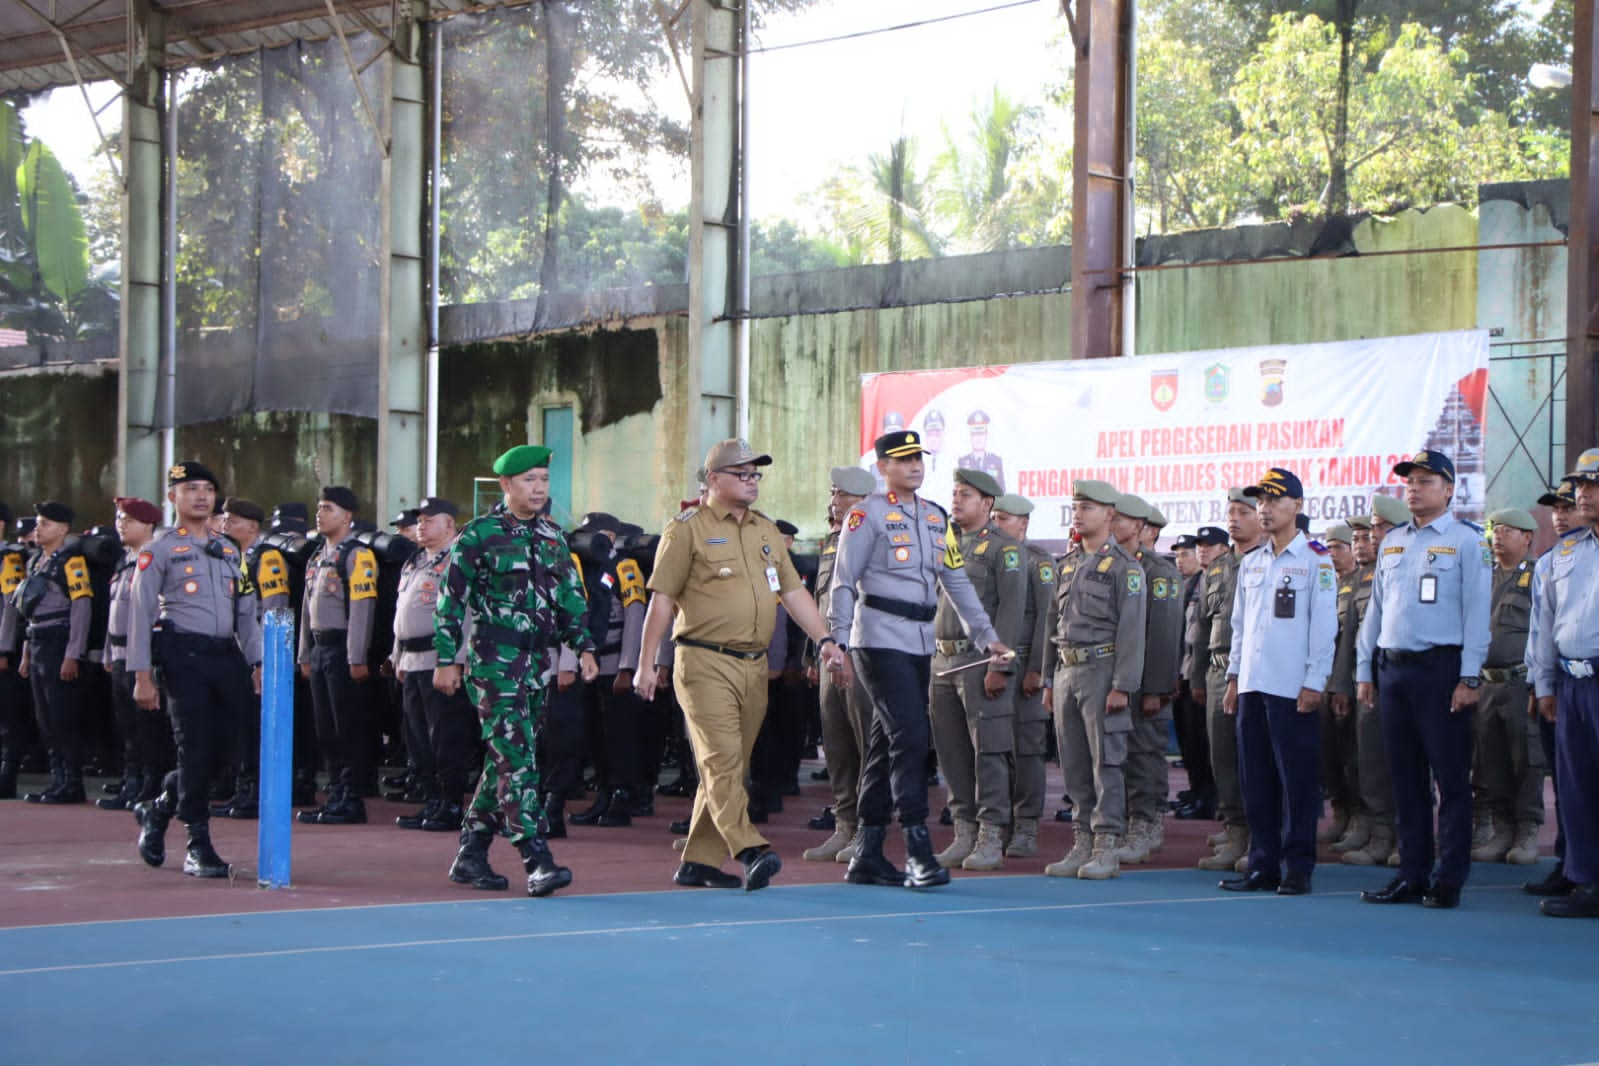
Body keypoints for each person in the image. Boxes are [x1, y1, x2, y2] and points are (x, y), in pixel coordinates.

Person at [637, 438, 845, 891]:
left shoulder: (765, 530)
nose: (752, 482)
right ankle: (750, 847)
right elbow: (661, 600)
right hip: (704, 658)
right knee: (721, 759)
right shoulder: (685, 529)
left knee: (730, 766)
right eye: (742, 474)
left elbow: (792, 593)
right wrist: (647, 663)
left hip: (753, 666)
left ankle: (699, 863)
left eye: (756, 474)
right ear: (713, 479)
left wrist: (824, 639)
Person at [827, 429, 1009, 889]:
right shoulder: (864, 515)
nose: (913, 466)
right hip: (877, 638)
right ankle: (917, 848)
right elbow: (844, 581)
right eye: (903, 459)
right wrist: (837, 641)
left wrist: (987, 637)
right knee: (911, 734)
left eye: (918, 459)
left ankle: (867, 853)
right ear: (883, 467)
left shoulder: (934, 517)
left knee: (887, 743)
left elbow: (955, 580)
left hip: (920, 641)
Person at [434, 445, 598, 898]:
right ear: (505, 485)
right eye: (529, 480)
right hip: (494, 661)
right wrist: (447, 658)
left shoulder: (551, 535)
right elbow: (450, 601)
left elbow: (570, 596)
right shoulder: (479, 535)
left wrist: (582, 647)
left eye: (544, 479)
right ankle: (535, 856)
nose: (539, 488)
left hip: (536, 665)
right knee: (519, 761)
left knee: (505, 758)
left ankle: (471, 851)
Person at [1357, 450, 1491, 909]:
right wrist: (1365, 670)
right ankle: (1411, 874)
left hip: (1441, 669)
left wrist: (1469, 676)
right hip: (1393, 669)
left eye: (1426, 480)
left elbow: (1477, 614)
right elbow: (1375, 611)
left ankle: (1448, 878)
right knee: (1405, 778)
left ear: (1449, 489)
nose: (1413, 487)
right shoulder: (1393, 541)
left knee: (1451, 780)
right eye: (1409, 480)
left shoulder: (1467, 541)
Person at [127, 461, 263, 878]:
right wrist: (141, 674)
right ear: (173, 497)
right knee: (195, 748)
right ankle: (196, 843)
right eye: (191, 489)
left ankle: (159, 807)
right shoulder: (160, 549)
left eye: (207, 489)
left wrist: (257, 661)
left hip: (226, 658)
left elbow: (247, 611)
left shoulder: (229, 550)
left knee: (227, 751)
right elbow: (139, 611)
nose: (201, 496)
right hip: (182, 656)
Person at [1219, 469, 1338, 895]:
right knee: (1257, 781)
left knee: (1297, 781)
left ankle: (1297, 866)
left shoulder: (1316, 559)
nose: (1265, 509)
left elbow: (1324, 628)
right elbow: (1240, 627)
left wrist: (1315, 681)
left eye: (1274, 500)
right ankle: (1262, 864)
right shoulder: (1251, 562)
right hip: (1252, 684)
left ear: (1298, 506)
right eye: (1261, 502)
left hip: (1292, 686)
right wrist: (1234, 677)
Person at [1041, 480, 1147, 880]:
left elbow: (1132, 631)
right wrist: (1050, 680)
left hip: (1102, 672)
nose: (1078, 512)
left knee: (1108, 762)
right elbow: (1053, 623)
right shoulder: (1066, 563)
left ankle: (1106, 844)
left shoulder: (1125, 567)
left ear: (1110, 515)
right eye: (1075, 506)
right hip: (1067, 671)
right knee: (1074, 763)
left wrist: (1123, 684)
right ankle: (1081, 840)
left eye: (1087, 506)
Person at [927, 468, 1026, 872]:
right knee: (951, 751)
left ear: (987, 504)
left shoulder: (1004, 549)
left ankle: (990, 833)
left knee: (988, 751)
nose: (956, 500)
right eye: (954, 493)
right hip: (942, 660)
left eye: (965, 494)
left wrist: (999, 665)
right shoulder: (943, 541)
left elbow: (1012, 610)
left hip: (978, 660)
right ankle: (963, 829)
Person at [1527, 448, 1599, 917]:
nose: (1583, 494)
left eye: (1593, 486)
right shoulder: (1565, 553)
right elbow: (1544, 621)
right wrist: (1544, 683)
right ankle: (1585, 880)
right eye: (1581, 486)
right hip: (1573, 682)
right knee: (1576, 787)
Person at [389, 497, 477, 833]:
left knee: (446, 735)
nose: (421, 526)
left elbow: (468, 613)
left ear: (450, 525)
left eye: (429, 520)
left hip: (440, 659)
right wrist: (397, 656)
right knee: (417, 736)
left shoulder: (460, 560)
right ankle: (432, 800)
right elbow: (402, 613)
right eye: (420, 521)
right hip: (412, 659)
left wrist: (456, 661)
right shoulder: (415, 561)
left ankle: (451, 803)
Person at [803, 465, 876, 863]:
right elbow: (822, 599)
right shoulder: (833, 540)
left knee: (865, 742)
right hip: (830, 653)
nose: (834, 501)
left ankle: (866, 828)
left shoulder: (876, 536)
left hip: (862, 654)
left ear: (862, 500)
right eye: (833, 493)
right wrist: (813, 653)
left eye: (841, 494)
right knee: (836, 743)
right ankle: (843, 823)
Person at [296, 486, 379, 826]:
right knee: (325, 727)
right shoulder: (318, 556)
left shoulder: (358, 555)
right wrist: (304, 652)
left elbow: (362, 609)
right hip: (319, 648)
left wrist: (356, 656)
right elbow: (305, 608)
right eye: (319, 507)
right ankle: (335, 792)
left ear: (347, 516)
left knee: (347, 726)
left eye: (328, 508)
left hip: (343, 648)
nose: (320, 513)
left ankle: (352, 797)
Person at [2, 501, 93, 804]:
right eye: (39, 523)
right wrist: (26, 652)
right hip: (37, 638)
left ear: (63, 529)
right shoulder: (35, 561)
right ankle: (58, 779)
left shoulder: (72, 561)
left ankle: (72, 781)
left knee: (62, 715)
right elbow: (28, 610)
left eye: (46, 524)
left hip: (59, 639)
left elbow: (81, 607)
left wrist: (73, 653)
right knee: (45, 717)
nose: (38, 529)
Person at [1469, 507, 1544, 865]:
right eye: (1495, 529)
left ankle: (1527, 830)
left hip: (1520, 680)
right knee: (1491, 758)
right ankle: (1501, 829)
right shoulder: (1486, 577)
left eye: (1507, 530)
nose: (1497, 536)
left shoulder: (1538, 575)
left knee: (1527, 759)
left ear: (1527, 537)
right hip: (1487, 684)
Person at [1192, 491, 1261, 873]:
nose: (1235, 519)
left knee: (1255, 758)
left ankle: (1261, 833)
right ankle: (1235, 832)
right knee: (1222, 758)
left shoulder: (1267, 562)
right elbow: (1202, 626)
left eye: (1244, 512)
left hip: (1255, 673)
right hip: (1218, 672)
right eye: (1231, 512)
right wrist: (1196, 675)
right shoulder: (1217, 568)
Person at [1111, 494, 1181, 866]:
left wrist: (1155, 687)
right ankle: (1124, 821)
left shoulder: (1158, 572)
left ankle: (1147, 824)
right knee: (1119, 757)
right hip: (1118, 680)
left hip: (1146, 685)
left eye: (1119, 519)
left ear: (1145, 529)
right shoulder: (1112, 565)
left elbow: (1163, 635)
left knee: (1144, 754)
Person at [1524, 479, 1581, 897]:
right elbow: (1541, 633)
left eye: (1568, 506)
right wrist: (1540, 684)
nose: (1560, 515)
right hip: (1564, 680)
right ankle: (1572, 864)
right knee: (1569, 783)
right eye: (1555, 508)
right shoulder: (1552, 561)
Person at [991, 493, 1055, 858]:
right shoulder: (987, 555)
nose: (996, 524)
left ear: (1023, 524)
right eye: (994, 517)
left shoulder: (1037, 561)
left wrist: (1037, 671)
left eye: (1003, 519)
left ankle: (1026, 824)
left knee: (1027, 748)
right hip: (993, 666)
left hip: (1026, 667)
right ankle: (998, 821)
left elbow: (1047, 617)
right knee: (995, 748)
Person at [1339, 505, 1400, 867]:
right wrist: (1346, 684)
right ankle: (1380, 833)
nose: (1371, 538)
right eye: (1368, 531)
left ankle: (1405, 836)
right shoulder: (1364, 578)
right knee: (1371, 762)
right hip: (1371, 682)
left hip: (1408, 677)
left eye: (1378, 529)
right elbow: (1352, 638)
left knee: (1407, 764)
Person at [98, 497, 164, 812]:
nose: (120, 524)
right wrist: (109, 652)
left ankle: (151, 785)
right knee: (127, 726)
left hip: (145, 656)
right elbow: (116, 613)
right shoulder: (126, 561)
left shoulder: (154, 559)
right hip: (121, 652)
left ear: (147, 524)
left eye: (128, 519)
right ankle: (132, 781)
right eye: (119, 519)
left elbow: (151, 614)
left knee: (147, 728)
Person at [1317, 523, 1364, 849]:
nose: (1332, 554)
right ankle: (1341, 813)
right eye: (1328, 548)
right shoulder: (1328, 585)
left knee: (1355, 756)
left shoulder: (1363, 583)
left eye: (1338, 547)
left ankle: (1362, 819)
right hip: (1326, 682)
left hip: (1353, 681)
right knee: (1330, 755)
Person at [1171, 527, 1223, 820]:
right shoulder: (1189, 584)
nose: (1183, 559)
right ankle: (1198, 792)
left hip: (1206, 673)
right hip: (1187, 671)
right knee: (1189, 740)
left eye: (1187, 553)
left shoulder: (1213, 581)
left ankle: (1208, 797)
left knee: (1204, 742)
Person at [0, 501, 26, 798]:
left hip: (3, 648)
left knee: (7, 719)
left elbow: (9, 608)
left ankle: (7, 777)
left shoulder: (9, 559)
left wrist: (4, 649)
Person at [956, 410, 1005, 493]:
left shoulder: (996, 461)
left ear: (986, 436)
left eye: (981, 434)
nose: (978, 438)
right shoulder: (963, 462)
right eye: (975, 434)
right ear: (970, 437)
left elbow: (1002, 491)